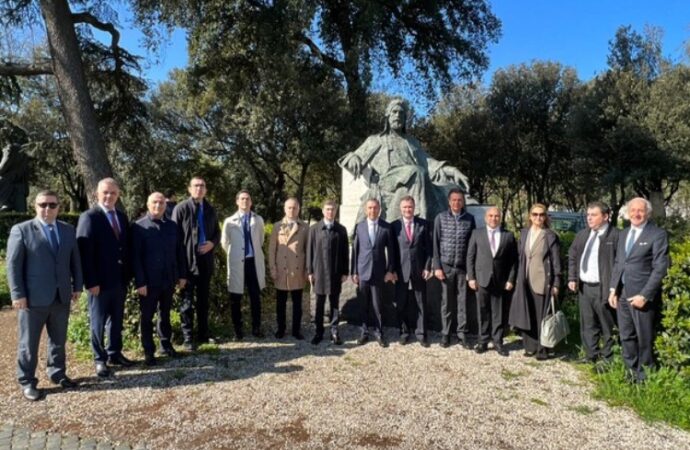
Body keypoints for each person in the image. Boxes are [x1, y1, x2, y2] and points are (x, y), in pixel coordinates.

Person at [339, 98, 469, 222]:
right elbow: (355, 156)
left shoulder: (412, 141)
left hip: (412, 179)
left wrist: (451, 170)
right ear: (388, 117)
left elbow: (428, 162)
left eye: (401, 113)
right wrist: (354, 157)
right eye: (394, 112)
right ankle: (422, 220)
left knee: (451, 189)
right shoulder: (375, 140)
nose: (397, 115)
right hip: (387, 180)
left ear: (405, 118)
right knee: (417, 171)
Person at [7, 190, 83, 401]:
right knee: (28, 343)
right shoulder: (21, 230)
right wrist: (17, 294)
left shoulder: (68, 230)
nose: (47, 209)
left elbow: (74, 260)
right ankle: (27, 381)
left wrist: (77, 286)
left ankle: (57, 372)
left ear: (59, 206)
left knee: (58, 339)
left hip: (61, 296)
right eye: (42, 205)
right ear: (35, 206)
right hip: (32, 299)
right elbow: (13, 265)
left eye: (52, 205)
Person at [608, 197, 669, 383]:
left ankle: (644, 377)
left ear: (648, 213)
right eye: (632, 210)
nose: (636, 213)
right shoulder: (624, 233)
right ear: (627, 213)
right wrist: (613, 289)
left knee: (644, 338)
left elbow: (660, 268)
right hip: (623, 293)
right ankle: (630, 373)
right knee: (626, 335)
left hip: (641, 294)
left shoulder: (657, 234)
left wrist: (645, 295)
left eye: (640, 210)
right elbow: (619, 263)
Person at [76, 178, 132, 377]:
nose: (109, 196)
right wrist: (91, 281)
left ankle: (114, 353)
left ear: (118, 195)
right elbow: (85, 253)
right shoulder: (89, 217)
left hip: (119, 280)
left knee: (116, 320)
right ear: (97, 194)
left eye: (113, 193)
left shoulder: (122, 217)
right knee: (98, 322)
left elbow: (125, 248)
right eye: (105, 193)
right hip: (99, 283)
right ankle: (99, 360)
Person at [131, 192, 187, 366]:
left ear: (166, 205)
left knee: (165, 314)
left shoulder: (172, 226)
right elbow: (135, 258)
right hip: (148, 282)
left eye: (161, 203)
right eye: (154, 202)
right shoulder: (138, 227)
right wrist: (140, 282)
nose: (158, 206)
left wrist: (182, 275)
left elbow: (180, 252)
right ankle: (149, 351)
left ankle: (166, 345)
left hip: (168, 279)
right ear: (148, 204)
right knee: (147, 317)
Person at [171, 177, 220, 351]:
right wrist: (179, 269)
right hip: (187, 264)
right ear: (189, 188)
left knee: (203, 302)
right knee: (186, 304)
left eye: (202, 186)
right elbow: (174, 238)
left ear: (206, 189)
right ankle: (187, 338)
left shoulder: (210, 209)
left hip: (205, 263)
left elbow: (217, 233)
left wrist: (212, 244)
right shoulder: (181, 208)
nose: (199, 189)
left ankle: (204, 335)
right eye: (196, 186)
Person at [567, 202, 619, 365]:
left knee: (607, 324)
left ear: (605, 216)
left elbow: (620, 263)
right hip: (585, 287)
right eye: (588, 215)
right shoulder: (583, 234)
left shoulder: (615, 235)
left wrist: (614, 288)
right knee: (588, 323)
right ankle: (591, 355)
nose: (589, 218)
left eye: (593, 215)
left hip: (603, 288)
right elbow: (573, 256)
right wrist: (572, 278)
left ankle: (608, 358)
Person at [509, 203, 562, 361]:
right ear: (530, 216)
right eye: (535, 214)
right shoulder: (524, 233)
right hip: (525, 280)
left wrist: (557, 283)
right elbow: (520, 257)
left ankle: (542, 348)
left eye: (541, 215)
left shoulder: (550, 235)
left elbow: (556, 261)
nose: (538, 218)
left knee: (541, 316)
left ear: (545, 217)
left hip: (542, 281)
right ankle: (530, 346)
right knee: (527, 313)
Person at [467, 206, 518, 356]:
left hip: (500, 281)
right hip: (481, 279)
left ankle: (498, 341)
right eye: (490, 216)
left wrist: (510, 279)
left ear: (500, 218)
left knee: (499, 313)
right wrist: (471, 277)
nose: (493, 219)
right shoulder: (477, 234)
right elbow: (470, 257)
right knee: (482, 311)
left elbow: (514, 261)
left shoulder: (508, 236)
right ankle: (482, 341)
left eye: (496, 216)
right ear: (485, 218)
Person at [432, 188, 476, 348]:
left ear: (463, 202)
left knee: (462, 302)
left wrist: (470, 271)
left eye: (459, 200)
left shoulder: (469, 219)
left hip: (463, 268)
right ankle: (446, 333)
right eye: (454, 200)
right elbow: (435, 244)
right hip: (446, 267)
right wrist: (437, 266)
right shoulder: (440, 218)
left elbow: (472, 246)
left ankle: (462, 334)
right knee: (446, 303)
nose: (457, 202)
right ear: (449, 202)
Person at [221, 190, 266, 339]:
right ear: (237, 201)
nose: (245, 201)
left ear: (251, 202)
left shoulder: (258, 219)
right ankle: (237, 330)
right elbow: (225, 243)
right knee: (235, 297)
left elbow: (260, 240)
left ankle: (256, 328)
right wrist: (236, 254)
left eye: (247, 199)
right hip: (237, 263)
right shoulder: (229, 221)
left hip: (252, 262)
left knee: (255, 297)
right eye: (242, 199)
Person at [351, 198, 396, 347]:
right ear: (365, 210)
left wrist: (390, 270)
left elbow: (391, 251)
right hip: (363, 271)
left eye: (375, 208)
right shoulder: (360, 227)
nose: (372, 211)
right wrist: (354, 272)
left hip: (378, 272)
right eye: (370, 208)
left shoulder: (386, 227)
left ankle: (378, 332)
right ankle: (364, 332)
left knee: (378, 305)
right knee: (363, 304)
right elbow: (356, 250)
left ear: (380, 210)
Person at [391, 195, 432, 347]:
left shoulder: (424, 225)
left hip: (419, 270)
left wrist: (428, 267)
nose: (407, 210)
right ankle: (404, 332)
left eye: (410, 207)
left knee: (421, 302)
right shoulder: (394, 226)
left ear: (414, 208)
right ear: (400, 209)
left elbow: (429, 249)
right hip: (401, 271)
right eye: (405, 207)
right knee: (401, 302)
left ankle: (421, 333)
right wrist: (392, 270)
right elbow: (393, 251)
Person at [307, 200, 349, 345]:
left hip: (335, 272)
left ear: (336, 211)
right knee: (319, 304)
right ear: (323, 211)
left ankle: (334, 331)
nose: (330, 212)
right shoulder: (314, 229)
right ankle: (319, 332)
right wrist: (310, 271)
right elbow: (309, 252)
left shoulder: (341, 230)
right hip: (318, 272)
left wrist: (345, 271)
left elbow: (345, 252)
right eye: (328, 209)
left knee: (334, 304)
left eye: (333, 209)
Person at [269, 197, 308, 340]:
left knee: (298, 304)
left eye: (295, 208)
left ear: (299, 209)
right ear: (285, 209)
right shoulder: (277, 226)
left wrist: (306, 270)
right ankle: (281, 329)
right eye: (289, 208)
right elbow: (272, 249)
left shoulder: (304, 227)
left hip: (297, 270)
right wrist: (272, 268)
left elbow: (307, 250)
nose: (292, 210)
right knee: (280, 304)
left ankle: (296, 330)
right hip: (282, 270)